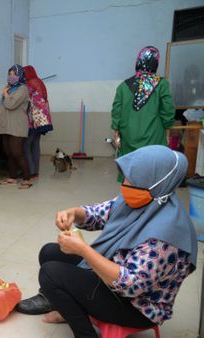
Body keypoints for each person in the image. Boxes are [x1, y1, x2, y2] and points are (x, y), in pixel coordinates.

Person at [16, 145, 197, 338]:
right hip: (117, 278)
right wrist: (73, 213)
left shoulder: (165, 235)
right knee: (50, 252)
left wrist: (84, 250)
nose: (125, 184)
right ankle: (60, 303)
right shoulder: (146, 198)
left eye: (132, 180)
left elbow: (130, 285)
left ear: (154, 183)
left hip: (135, 306)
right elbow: (101, 212)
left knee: (50, 273)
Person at [112, 46, 175, 181]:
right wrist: (167, 131)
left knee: (130, 170)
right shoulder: (162, 84)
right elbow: (168, 110)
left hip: (129, 138)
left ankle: (132, 198)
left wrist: (117, 134)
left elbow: (116, 112)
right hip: (154, 137)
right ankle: (150, 199)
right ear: (156, 63)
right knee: (153, 173)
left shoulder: (123, 86)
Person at [23, 65, 53, 180]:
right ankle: (36, 171)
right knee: (35, 144)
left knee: (26, 145)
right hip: (43, 119)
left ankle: (30, 171)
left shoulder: (29, 84)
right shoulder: (39, 82)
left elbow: (26, 101)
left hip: (34, 119)